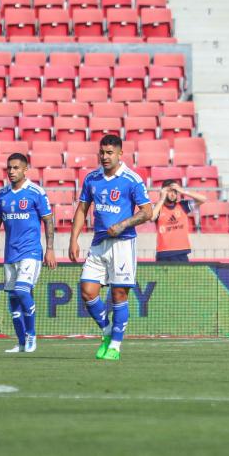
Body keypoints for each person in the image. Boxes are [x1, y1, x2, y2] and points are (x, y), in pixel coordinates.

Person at [68, 135, 152, 361]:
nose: (104, 157)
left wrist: (123, 224)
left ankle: (115, 345)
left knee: (118, 294)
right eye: (102, 153)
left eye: (109, 153)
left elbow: (147, 212)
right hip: (98, 243)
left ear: (119, 154)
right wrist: (73, 239)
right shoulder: (92, 179)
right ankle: (107, 331)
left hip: (123, 244)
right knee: (87, 291)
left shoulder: (131, 179)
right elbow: (82, 209)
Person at [0, 153, 56, 353]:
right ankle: (21, 343)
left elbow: (48, 220)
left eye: (16, 168)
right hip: (10, 254)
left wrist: (50, 249)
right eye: (9, 168)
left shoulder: (36, 192)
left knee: (22, 290)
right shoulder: (3, 195)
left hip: (30, 252)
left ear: (25, 169)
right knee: (13, 299)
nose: (11, 172)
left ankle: (31, 335)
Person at [151, 179, 207, 262]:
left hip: (181, 253)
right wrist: (161, 199)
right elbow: (152, 218)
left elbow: (203, 199)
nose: (173, 194)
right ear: (164, 192)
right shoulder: (157, 207)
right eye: (170, 191)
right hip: (163, 254)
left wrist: (183, 191)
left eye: (175, 191)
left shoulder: (183, 205)